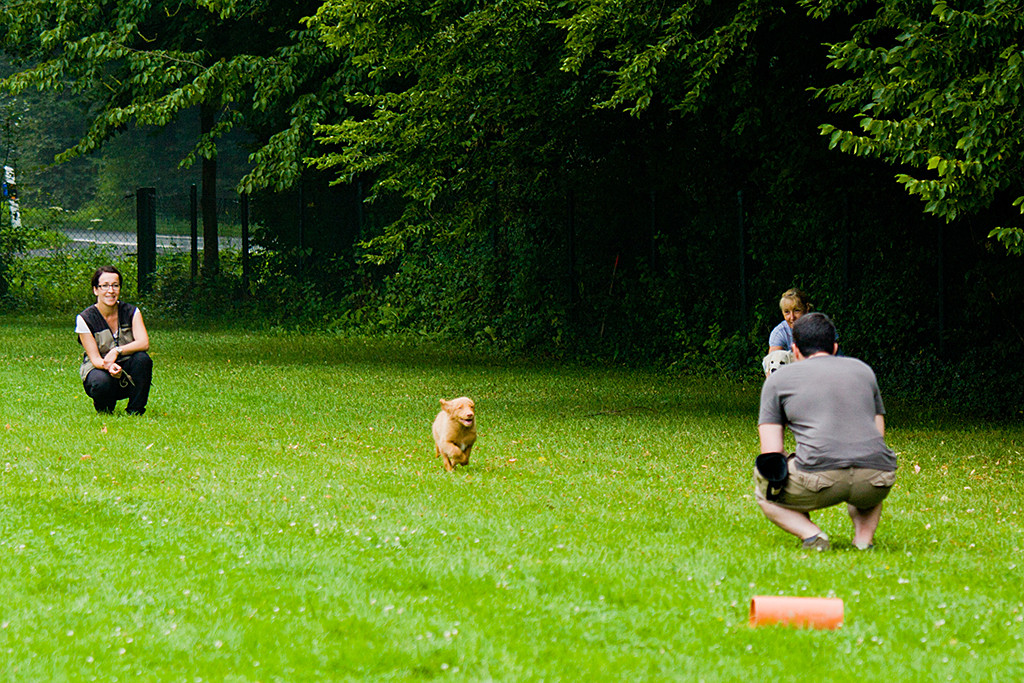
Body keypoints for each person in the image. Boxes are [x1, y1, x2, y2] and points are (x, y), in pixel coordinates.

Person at [754, 312, 897, 550]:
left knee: (763, 487)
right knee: (866, 471)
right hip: (876, 478)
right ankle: (863, 540)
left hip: (818, 478)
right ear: (834, 347)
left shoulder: (778, 380)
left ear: (795, 350)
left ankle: (812, 535)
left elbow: (772, 452)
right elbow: (878, 435)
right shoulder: (863, 371)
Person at [76, 266, 152, 415]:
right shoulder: (84, 319)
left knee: (143, 359)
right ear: (95, 290)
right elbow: (96, 359)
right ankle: (104, 408)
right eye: (104, 286)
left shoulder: (132, 312)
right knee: (100, 383)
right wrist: (109, 366)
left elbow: (144, 343)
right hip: (101, 369)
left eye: (115, 285)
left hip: (128, 369)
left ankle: (135, 411)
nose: (110, 291)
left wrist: (117, 351)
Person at [767, 287, 812, 353]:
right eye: (787, 312)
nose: (792, 317)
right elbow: (774, 361)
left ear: (807, 308)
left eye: (797, 311)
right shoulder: (779, 333)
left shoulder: (820, 329)